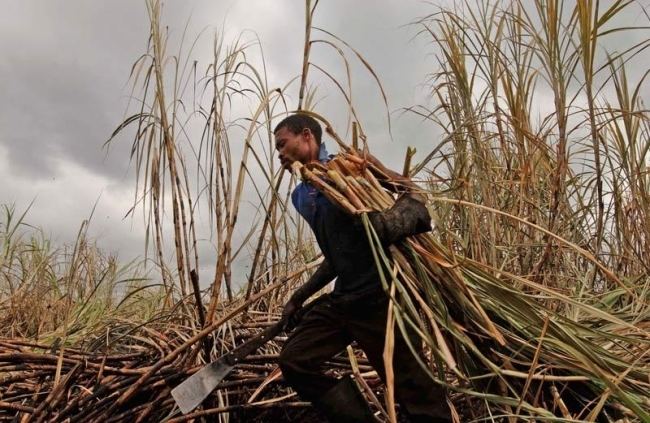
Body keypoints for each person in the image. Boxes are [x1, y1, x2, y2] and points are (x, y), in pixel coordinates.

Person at [274, 113, 451, 423]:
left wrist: (390, 220)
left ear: (306, 136)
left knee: (417, 393)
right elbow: (338, 255)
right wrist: (299, 296)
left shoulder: (353, 165)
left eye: (282, 144)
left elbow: (412, 193)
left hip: (384, 295)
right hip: (345, 300)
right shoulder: (301, 197)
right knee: (295, 361)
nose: (279, 154)